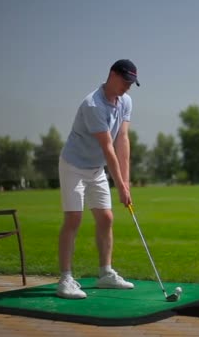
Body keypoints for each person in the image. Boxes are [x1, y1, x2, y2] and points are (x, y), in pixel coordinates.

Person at [56, 59, 140, 299]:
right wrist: (120, 187)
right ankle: (66, 279)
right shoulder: (93, 104)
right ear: (112, 75)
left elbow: (122, 140)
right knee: (73, 218)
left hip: (96, 168)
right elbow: (108, 148)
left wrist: (126, 182)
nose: (128, 87)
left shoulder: (126, 101)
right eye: (126, 81)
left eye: (132, 83)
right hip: (73, 165)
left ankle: (105, 273)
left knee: (106, 217)